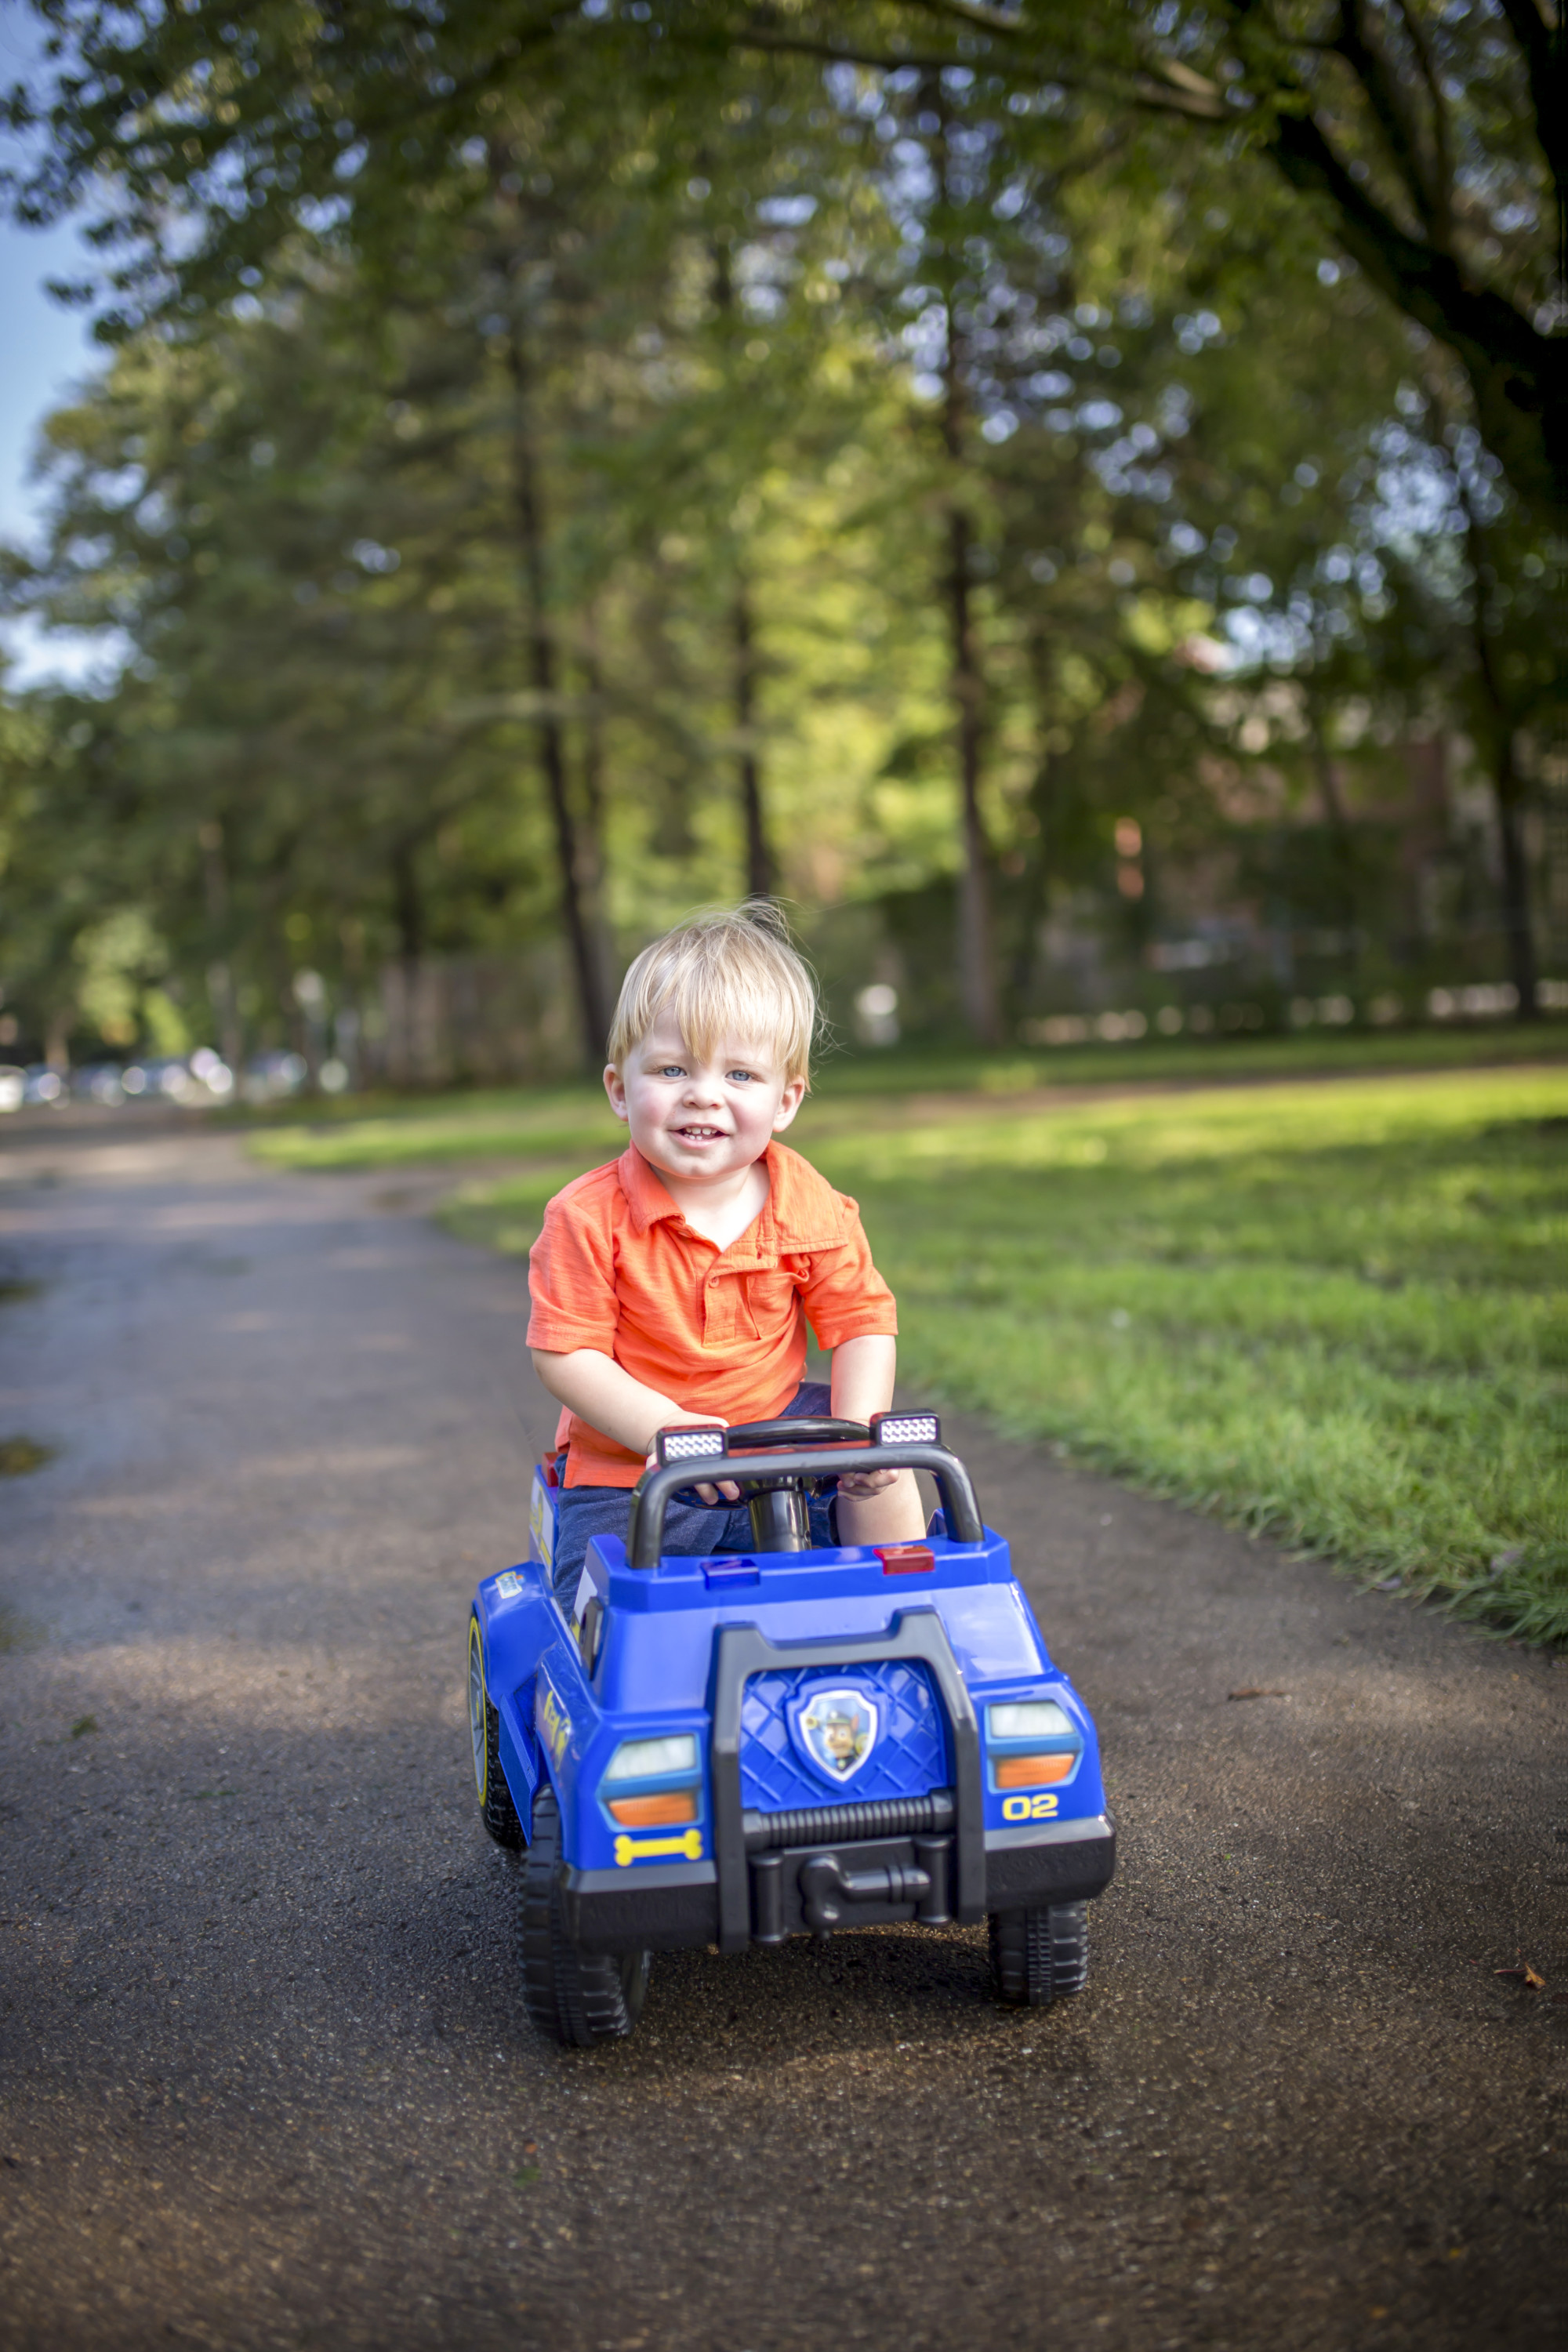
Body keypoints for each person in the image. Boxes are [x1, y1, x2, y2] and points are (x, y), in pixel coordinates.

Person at [527, 902, 927, 1603]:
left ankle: (907, 1616)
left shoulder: (810, 1204)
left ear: (786, 1101)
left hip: (779, 1440)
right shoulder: (587, 1217)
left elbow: (862, 1321)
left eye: (740, 1076)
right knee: (605, 1606)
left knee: (894, 1473)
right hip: (635, 1465)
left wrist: (864, 1436)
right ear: (621, 1090)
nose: (704, 1097)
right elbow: (567, 1354)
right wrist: (664, 1428)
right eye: (673, 1070)